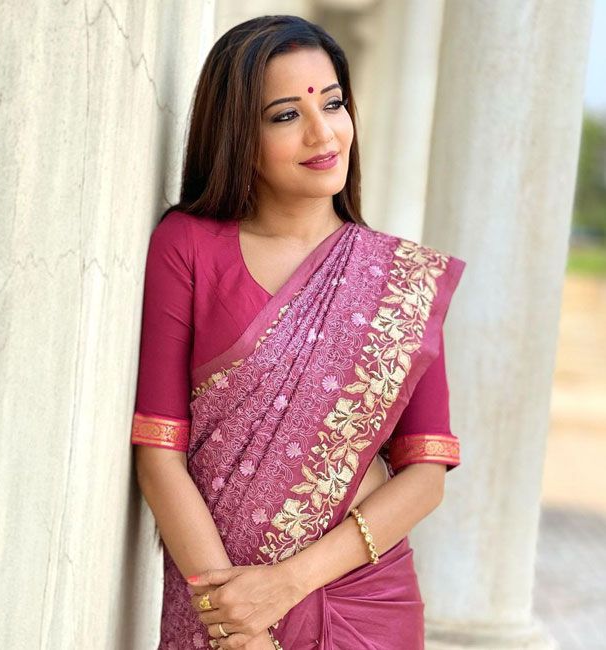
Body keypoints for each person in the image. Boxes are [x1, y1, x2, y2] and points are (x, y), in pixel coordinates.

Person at [130, 14, 465, 650]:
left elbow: (425, 474)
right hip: (221, 608)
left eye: (333, 104)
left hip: (366, 603)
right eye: (286, 115)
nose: (322, 132)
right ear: (238, 133)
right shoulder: (189, 247)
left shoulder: (399, 279)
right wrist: (239, 627)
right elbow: (159, 455)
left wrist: (286, 584)